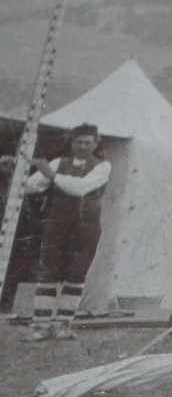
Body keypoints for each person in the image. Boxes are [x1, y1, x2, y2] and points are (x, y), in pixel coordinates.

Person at [0, 123, 111, 341]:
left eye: (87, 142)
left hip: (86, 227)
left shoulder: (103, 166)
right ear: (71, 142)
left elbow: (80, 188)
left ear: (96, 143)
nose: (82, 147)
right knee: (48, 273)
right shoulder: (59, 163)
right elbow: (30, 187)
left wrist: (51, 175)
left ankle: (63, 325)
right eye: (78, 142)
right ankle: (40, 326)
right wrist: (14, 171)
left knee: (76, 274)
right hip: (57, 225)